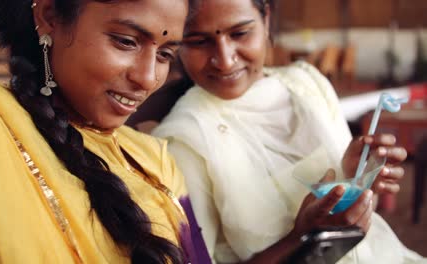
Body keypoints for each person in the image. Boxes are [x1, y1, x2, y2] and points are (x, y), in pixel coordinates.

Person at [152, 0, 427, 263]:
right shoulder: (182, 141)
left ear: (267, 20)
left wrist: (361, 184)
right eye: (199, 41)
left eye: (240, 33)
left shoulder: (308, 83)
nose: (224, 60)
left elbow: (361, 222)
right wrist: (298, 239)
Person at [0, 0, 202, 263]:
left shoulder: (155, 162)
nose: (147, 78)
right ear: (49, 16)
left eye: (165, 55)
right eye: (126, 41)